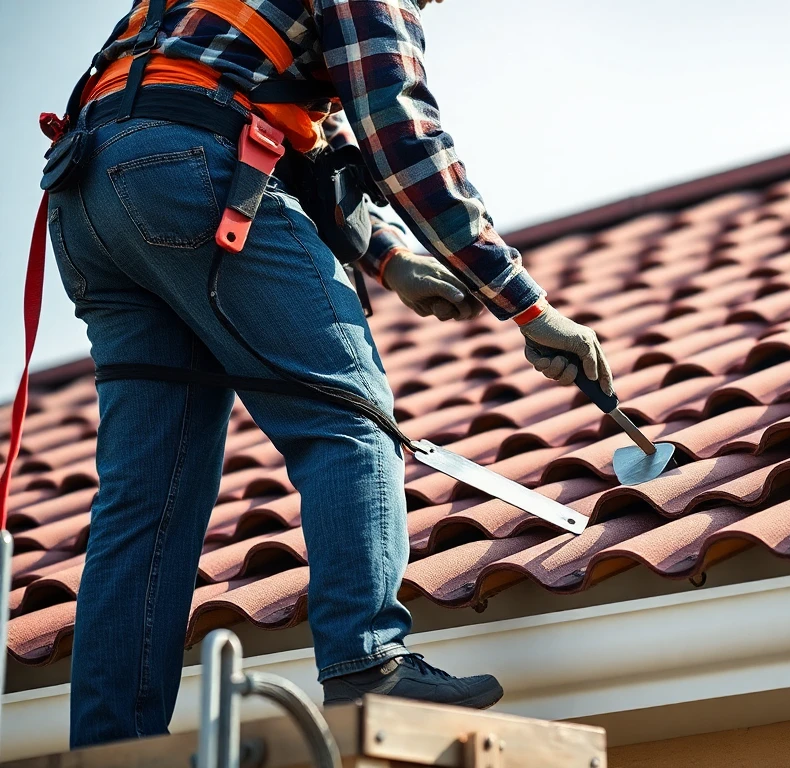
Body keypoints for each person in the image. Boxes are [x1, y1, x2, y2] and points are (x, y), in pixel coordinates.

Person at [45, 0, 613, 748]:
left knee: (149, 495)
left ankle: (111, 741)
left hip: (88, 199)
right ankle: (367, 658)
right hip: (188, 172)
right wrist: (529, 308)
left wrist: (390, 257)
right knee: (349, 419)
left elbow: (301, 129)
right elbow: (401, 134)